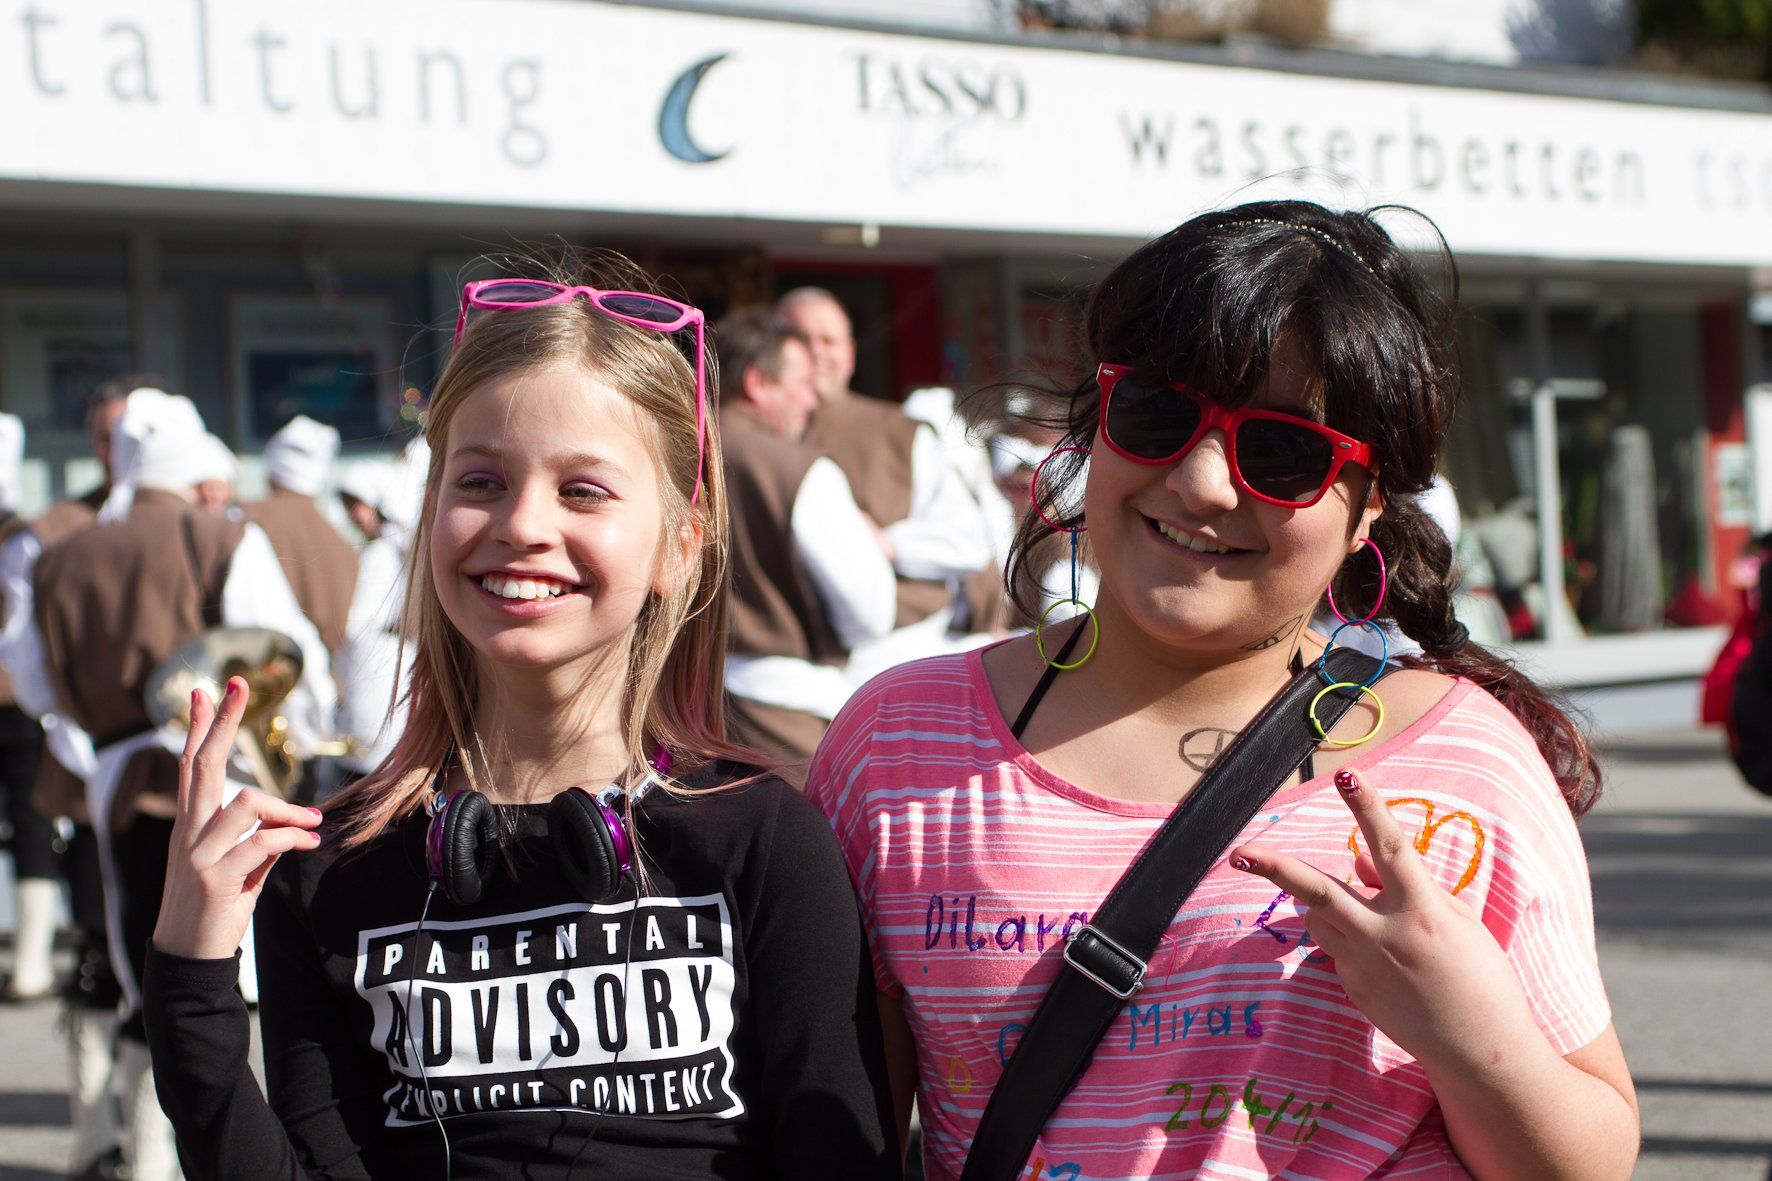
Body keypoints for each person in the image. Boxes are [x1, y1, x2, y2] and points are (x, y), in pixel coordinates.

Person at [808, 202, 1638, 1180]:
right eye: (1157, 411)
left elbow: (1588, 1163)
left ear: (1369, 505)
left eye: (1282, 452)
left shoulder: (1466, 761)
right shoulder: (897, 741)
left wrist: (1470, 1034)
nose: (1201, 482)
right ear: (1094, 427)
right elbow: (839, 1146)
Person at [141, 260, 900, 1180]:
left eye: (583, 490)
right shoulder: (332, 869)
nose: (522, 524)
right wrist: (190, 972)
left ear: (680, 546)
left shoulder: (766, 840)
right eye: (480, 482)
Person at [18, 386, 336, 1181]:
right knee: (217, 976)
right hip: (215, 782)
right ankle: (172, 1156)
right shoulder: (219, 536)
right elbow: (285, 646)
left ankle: (140, 1153)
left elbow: (31, 678)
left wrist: (93, 733)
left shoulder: (58, 554)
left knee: (145, 966)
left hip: (114, 782)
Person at [0, 372, 144, 1181]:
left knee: (174, 968)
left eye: (126, 435)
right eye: (102, 436)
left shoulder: (203, 522)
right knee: (95, 955)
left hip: (174, 788)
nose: (113, 450)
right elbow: (25, 659)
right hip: (89, 782)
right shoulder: (52, 529)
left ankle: (159, 1146)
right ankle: (95, 1137)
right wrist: (81, 731)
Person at [716, 307, 896, 776]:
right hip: (785, 716)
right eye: (801, 384)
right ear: (758, 383)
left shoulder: (663, 453)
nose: (812, 401)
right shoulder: (801, 469)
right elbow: (870, 613)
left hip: (675, 707)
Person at [776, 288, 998, 663]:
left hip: (894, 653)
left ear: (849, 353)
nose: (815, 352)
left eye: (828, 340)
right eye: (800, 338)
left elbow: (969, 541)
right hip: (783, 663)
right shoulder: (746, 435)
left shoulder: (901, 432)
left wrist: (884, 543)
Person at [0, 411, 60, 1004]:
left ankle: (31, 958)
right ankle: (31, 961)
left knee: (31, 821)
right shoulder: (25, 536)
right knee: (30, 821)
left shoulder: (24, 538)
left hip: (16, 702)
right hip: (18, 699)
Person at [333, 440, 429, 785]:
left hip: (379, 673)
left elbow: (357, 625)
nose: (354, 516)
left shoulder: (384, 552)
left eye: (357, 506)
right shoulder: (397, 546)